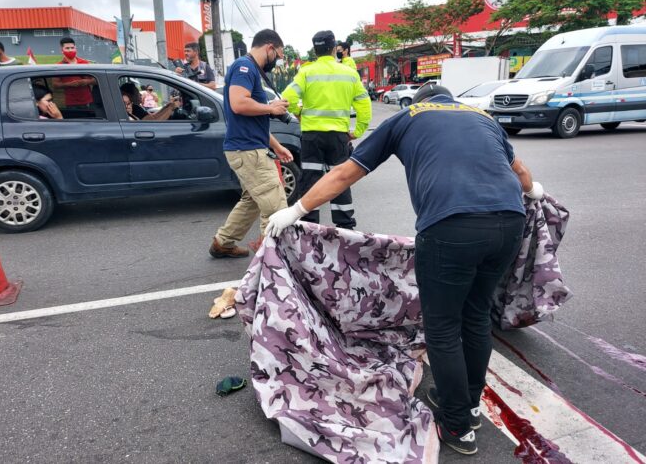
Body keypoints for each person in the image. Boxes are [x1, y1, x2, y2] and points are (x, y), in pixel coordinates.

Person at [265, 82, 544, 456]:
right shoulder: (481, 117)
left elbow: (345, 174)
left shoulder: (406, 117)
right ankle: (470, 406)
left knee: (443, 327)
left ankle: (457, 425)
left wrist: (296, 210)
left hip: (451, 228)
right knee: (475, 315)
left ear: (419, 102)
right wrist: (536, 192)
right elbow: (521, 172)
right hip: (509, 223)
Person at [209, 28, 293, 259]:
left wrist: (276, 146)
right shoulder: (244, 67)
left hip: (247, 147)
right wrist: (271, 108)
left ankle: (223, 243)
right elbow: (238, 103)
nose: (277, 61)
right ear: (270, 48)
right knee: (276, 206)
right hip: (248, 151)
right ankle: (273, 263)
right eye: (278, 55)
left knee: (253, 201)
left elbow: (252, 121)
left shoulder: (248, 69)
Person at [281, 30, 372, 230]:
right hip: (338, 137)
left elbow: (288, 97)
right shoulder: (349, 73)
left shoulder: (306, 71)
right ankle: (345, 227)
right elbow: (364, 104)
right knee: (340, 179)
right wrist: (358, 131)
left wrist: (299, 113)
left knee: (310, 181)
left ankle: (309, 226)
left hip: (312, 137)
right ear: (333, 49)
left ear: (315, 50)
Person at [53, 37, 96, 109]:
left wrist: (86, 82)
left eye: (72, 47)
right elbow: (55, 84)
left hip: (87, 101)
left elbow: (96, 80)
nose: (70, 50)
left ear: (75, 48)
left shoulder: (85, 63)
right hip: (70, 102)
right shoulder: (58, 66)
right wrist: (69, 84)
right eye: (67, 48)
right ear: (62, 50)